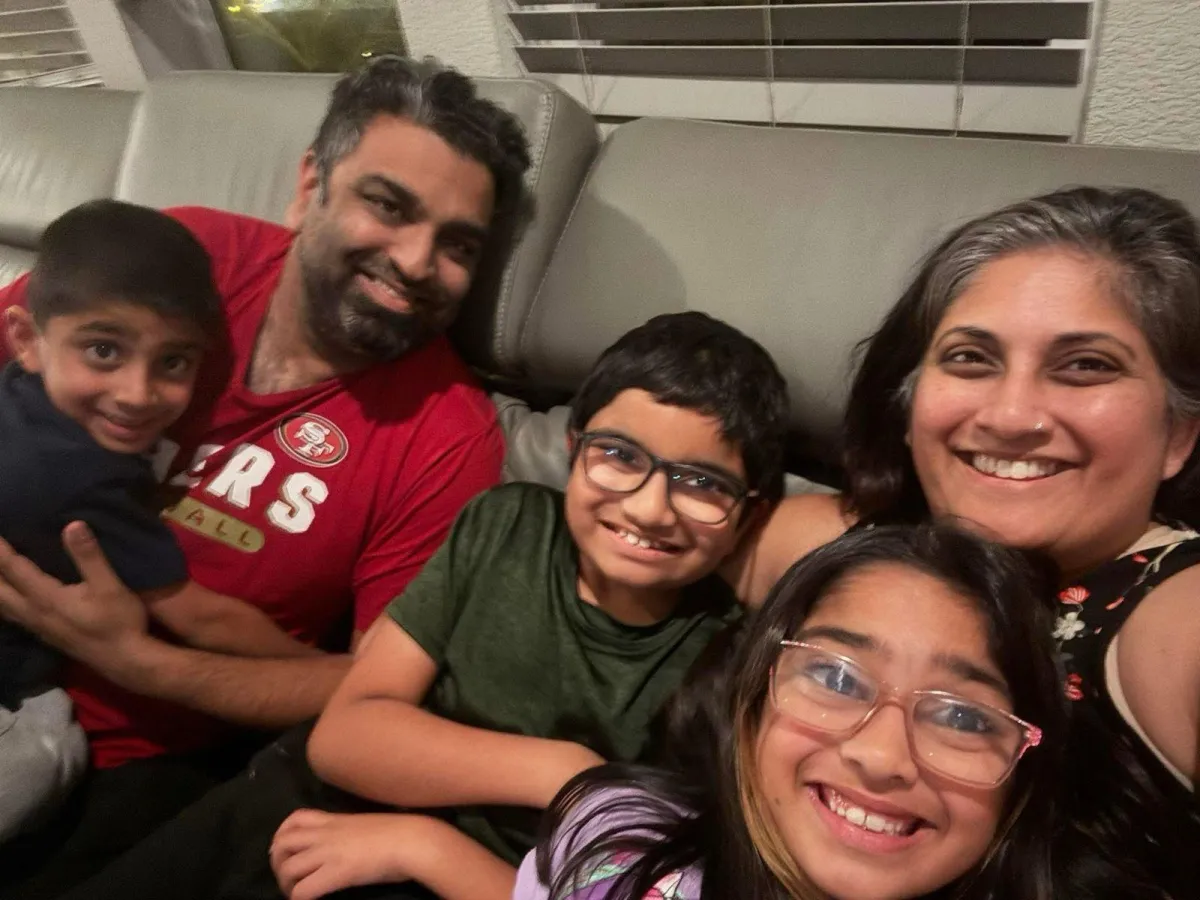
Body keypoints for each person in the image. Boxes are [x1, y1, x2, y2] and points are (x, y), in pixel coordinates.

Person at [0, 56, 531, 893]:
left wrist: (138, 662)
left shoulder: (447, 440)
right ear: (311, 183)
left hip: (141, 761)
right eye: (388, 206)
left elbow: (373, 688)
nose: (416, 261)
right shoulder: (189, 260)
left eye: (457, 244)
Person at [54, 310, 790, 900]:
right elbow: (345, 737)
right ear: (572, 448)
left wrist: (424, 848)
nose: (651, 506)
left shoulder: (722, 664)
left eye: (703, 483)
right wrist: (566, 773)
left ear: (752, 514)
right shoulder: (505, 525)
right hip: (314, 803)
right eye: (619, 455)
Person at [732, 186, 1200, 898]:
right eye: (971, 358)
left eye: (1086, 366)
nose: (1011, 416)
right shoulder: (842, 544)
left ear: (1179, 434)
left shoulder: (1174, 621)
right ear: (909, 401)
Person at [0, 199, 321, 843]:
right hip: (11, 692)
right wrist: (316, 667)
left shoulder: (17, 394)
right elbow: (199, 616)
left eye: (173, 362)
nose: (138, 394)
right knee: (51, 752)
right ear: (27, 340)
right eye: (104, 351)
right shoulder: (80, 478)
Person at [519, 522, 1065, 900]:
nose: (881, 757)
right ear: (755, 692)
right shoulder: (616, 844)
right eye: (836, 678)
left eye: (963, 718)